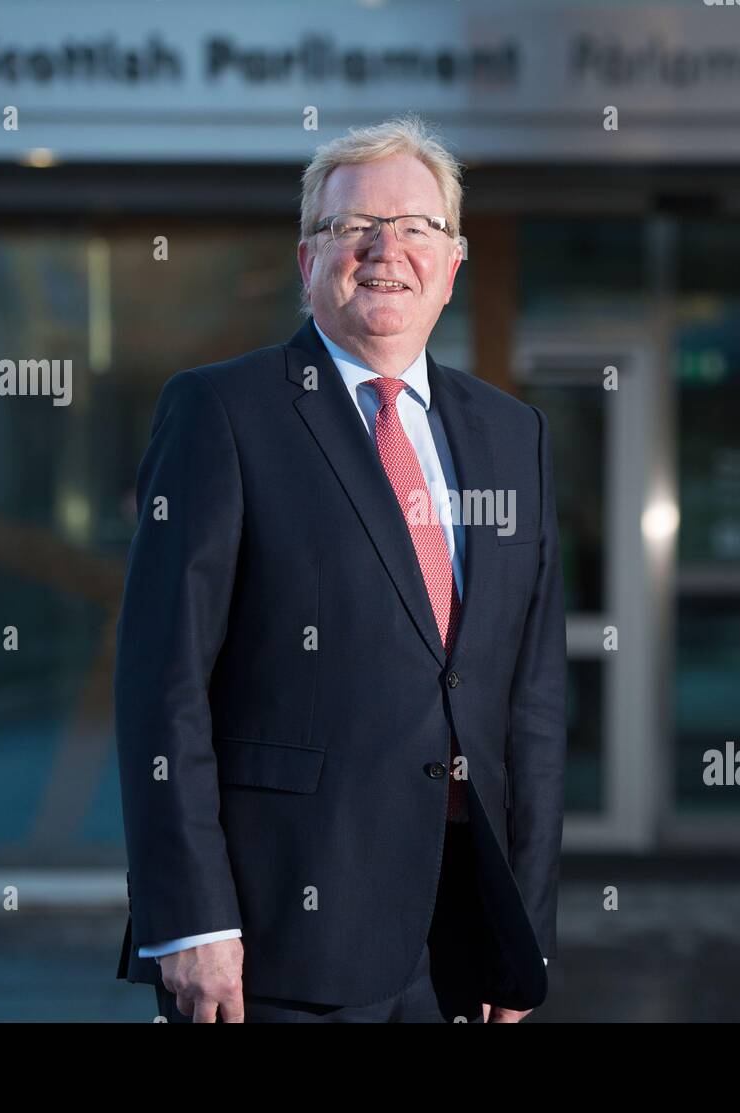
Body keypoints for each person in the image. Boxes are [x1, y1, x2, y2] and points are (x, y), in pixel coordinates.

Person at [114, 114, 566, 1023]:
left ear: (454, 261)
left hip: (458, 945)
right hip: (276, 942)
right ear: (307, 258)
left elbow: (532, 702)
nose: (384, 248)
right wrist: (191, 918)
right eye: (352, 226)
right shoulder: (221, 413)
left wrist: (523, 935)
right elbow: (165, 685)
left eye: (415, 227)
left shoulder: (514, 436)